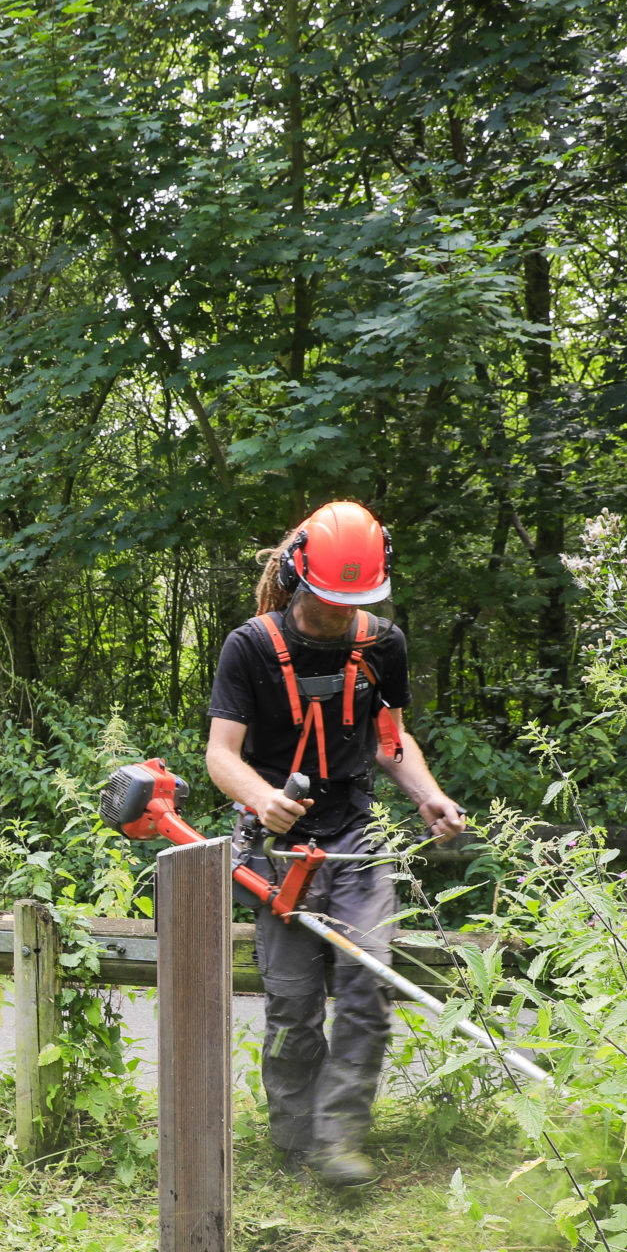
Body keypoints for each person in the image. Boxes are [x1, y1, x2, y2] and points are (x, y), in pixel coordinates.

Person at [203, 502, 467, 1188]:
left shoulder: (384, 644)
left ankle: (340, 1140)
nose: (342, 611)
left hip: (357, 839)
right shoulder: (250, 646)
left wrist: (428, 794)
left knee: (366, 987)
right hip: (278, 849)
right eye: (329, 597)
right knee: (293, 1005)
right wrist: (262, 798)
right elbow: (221, 754)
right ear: (298, 575)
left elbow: (390, 740)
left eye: (356, 599)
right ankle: (295, 1143)